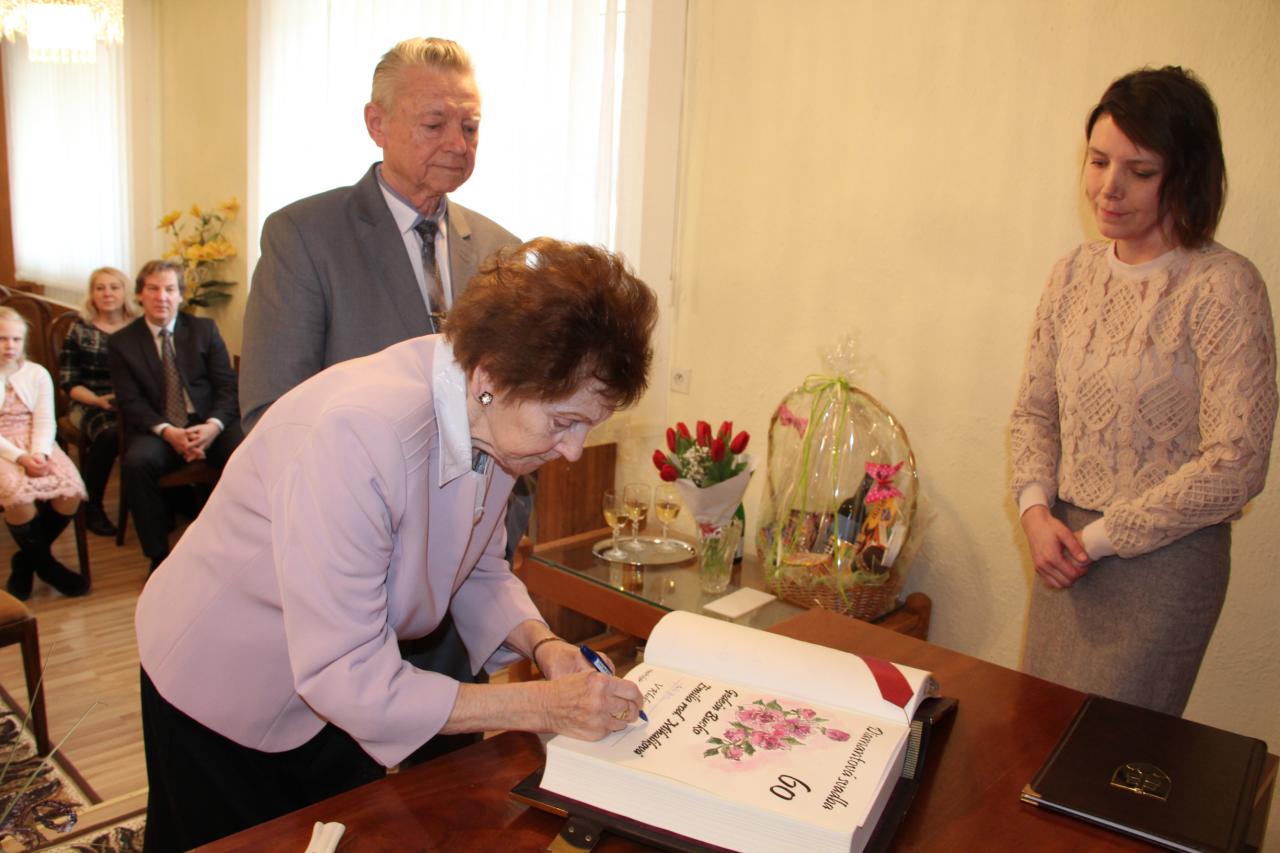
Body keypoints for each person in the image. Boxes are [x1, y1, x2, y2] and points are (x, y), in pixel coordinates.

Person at [136, 238, 658, 851]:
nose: (572, 451)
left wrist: (544, 646)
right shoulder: (360, 435)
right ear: (490, 379)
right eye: (565, 423)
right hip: (225, 677)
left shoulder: (491, 414)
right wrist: (546, 706)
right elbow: (349, 677)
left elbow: (477, 569)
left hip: (345, 680)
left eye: (587, 427)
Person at [1010, 66, 1277, 716]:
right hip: (1061, 551)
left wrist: (1103, 537)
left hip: (1163, 568)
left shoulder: (1223, 287)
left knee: (1110, 753)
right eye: (1099, 160)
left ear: (1186, 175)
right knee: (1036, 736)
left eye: (1140, 170)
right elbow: (1034, 412)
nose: (1109, 186)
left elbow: (1238, 462)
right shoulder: (1072, 274)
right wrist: (1035, 512)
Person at [239, 36, 519, 432]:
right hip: (344, 470)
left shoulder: (500, 250)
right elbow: (273, 415)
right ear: (377, 124)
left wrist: (483, 411)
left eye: (469, 127)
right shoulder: (305, 237)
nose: (458, 145)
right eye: (434, 125)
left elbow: (505, 390)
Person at [107, 260, 242, 572]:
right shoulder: (122, 342)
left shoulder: (204, 330)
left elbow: (227, 386)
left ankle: (232, 548)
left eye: (169, 289)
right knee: (137, 464)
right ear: (139, 295)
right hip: (159, 427)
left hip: (207, 422)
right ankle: (158, 558)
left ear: (181, 295)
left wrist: (213, 426)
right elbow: (130, 401)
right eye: (153, 289)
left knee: (244, 451)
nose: (162, 297)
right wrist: (169, 432)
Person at [0, 306, 88, 599]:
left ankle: (26, 561)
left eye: (16, 339)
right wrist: (20, 458)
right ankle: (47, 567)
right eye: (2, 339)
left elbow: (45, 420)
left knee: (70, 491)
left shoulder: (37, 374)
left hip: (38, 441)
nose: (10, 346)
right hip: (4, 447)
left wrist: (39, 453)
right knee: (19, 496)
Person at [58, 266, 136, 537]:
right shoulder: (79, 329)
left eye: (114, 287)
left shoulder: (138, 327)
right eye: (100, 288)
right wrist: (97, 400)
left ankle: (165, 502)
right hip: (89, 401)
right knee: (110, 434)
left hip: (132, 401)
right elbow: (68, 381)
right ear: (92, 294)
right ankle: (91, 507)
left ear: (125, 292)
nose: (107, 293)